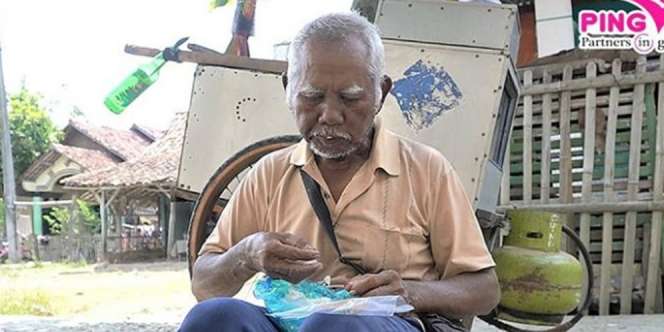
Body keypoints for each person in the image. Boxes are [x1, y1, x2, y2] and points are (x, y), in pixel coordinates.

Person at [180, 12, 499, 332]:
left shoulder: (427, 169)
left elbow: (484, 289)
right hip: (292, 320)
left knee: (333, 326)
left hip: (384, 323)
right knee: (212, 319)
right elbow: (205, 285)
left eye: (350, 98)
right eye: (311, 96)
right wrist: (247, 254)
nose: (330, 115)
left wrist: (409, 292)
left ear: (381, 93)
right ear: (288, 89)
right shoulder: (270, 174)